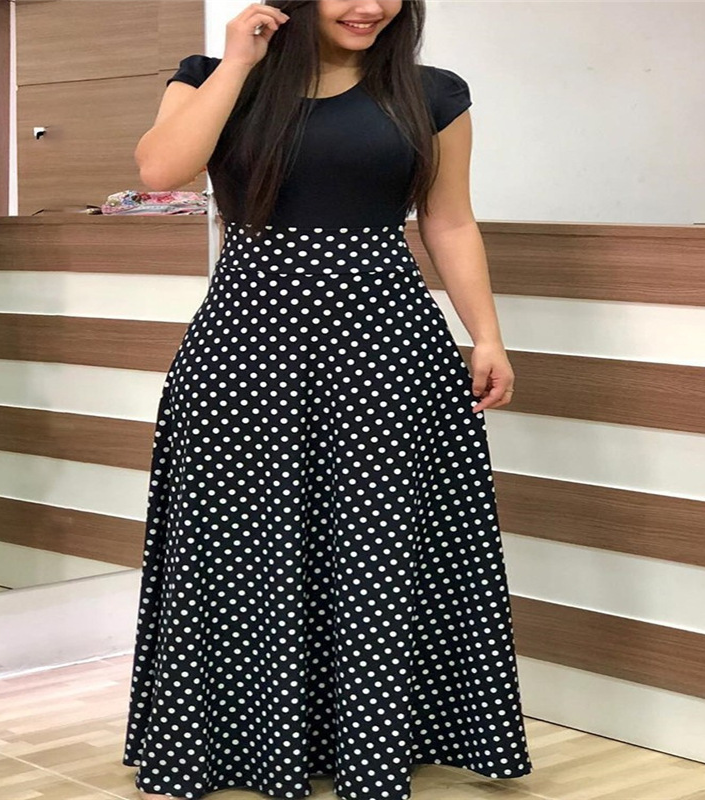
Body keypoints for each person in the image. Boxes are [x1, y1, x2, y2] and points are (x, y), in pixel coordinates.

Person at [122, 2, 533, 799]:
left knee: (378, 545)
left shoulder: (432, 92)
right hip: (247, 349)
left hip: (386, 347)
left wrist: (485, 334)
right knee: (241, 545)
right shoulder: (210, 78)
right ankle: (247, 742)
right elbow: (161, 172)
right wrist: (238, 62)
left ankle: (371, 743)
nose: (370, 6)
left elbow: (449, 221)